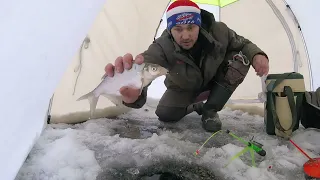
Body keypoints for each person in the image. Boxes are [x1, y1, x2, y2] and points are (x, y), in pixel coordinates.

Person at [104, 0, 269, 132]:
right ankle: (197, 106)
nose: (186, 36)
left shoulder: (220, 31)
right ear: (170, 29)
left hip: (216, 80)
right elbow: (144, 66)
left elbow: (242, 44)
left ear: (199, 25)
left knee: (241, 59)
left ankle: (210, 111)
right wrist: (134, 95)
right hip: (182, 87)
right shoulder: (162, 46)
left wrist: (257, 55)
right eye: (178, 29)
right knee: (165, 115)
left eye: (191, 27)